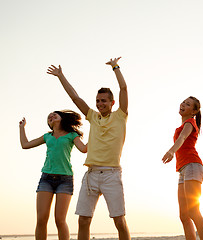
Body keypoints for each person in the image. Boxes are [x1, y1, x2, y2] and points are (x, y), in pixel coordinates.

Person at [47, 57, 130, 240]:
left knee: (119, 221)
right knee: (83, 221)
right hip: (91, 174)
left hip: (111, 174)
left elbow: (123, 89)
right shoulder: (93, 116)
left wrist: (115, 67)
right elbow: (75, 97)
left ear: (112, 103)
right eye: (98, 101)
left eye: (104, 101)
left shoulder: (120, 116)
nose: (100, 104)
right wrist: (61, 76)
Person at [19, 110, 87, 240]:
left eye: (55, 114)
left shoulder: (72, 135)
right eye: (49, 116)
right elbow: (25, 145)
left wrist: (98, 135)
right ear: (49, 124)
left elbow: (84, 149)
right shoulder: (47, 136)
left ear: (62, 118)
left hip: (65, 180)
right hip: (46, 179)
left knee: (60, 220)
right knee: (41, 219)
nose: (51, 116)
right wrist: (22, 128)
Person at [162, 96, 203, 240]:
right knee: (184, 215)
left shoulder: (190, 123)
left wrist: (171, 151)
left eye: (188, 104)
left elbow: (182, 138)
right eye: (183, 102)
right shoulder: (184, 124)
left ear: (193, 111)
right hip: (183, 169)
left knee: (194, 212)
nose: (183, 105)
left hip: (192, 166)